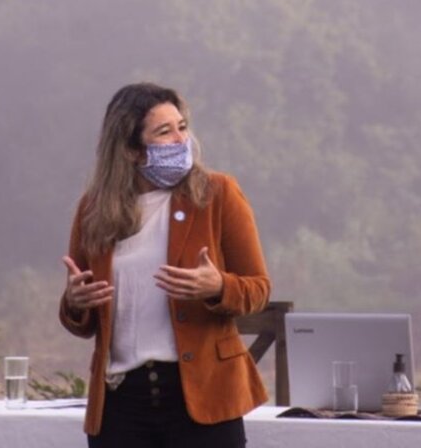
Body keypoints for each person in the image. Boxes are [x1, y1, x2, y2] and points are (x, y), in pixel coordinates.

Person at [59, 82, 271, 448]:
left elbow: (258, 289)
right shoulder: (93, 209)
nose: (180, 139)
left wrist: (218, 286)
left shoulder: (217, 193)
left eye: (182, 127)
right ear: (130, 150)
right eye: (164, 131)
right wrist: (75, 303)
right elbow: (82, 320)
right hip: (120, 402)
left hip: (201, 396)